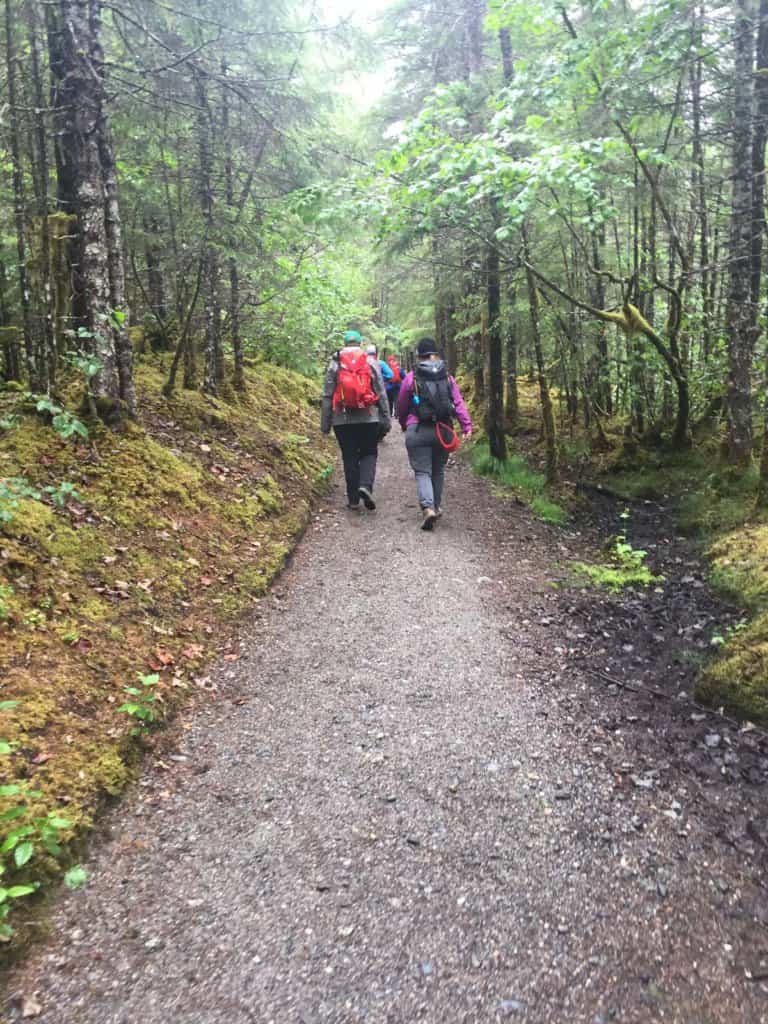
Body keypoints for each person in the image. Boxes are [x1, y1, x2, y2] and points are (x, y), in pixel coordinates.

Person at [397, 337, 472, 530]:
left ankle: (428, 507)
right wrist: (466, 426)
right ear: (435, 354)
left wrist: (405, 424)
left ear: (419, 355)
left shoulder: (411, 377)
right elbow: (458, 402)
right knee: (437, 471)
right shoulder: (447, 377)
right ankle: (436, 506)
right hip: (443, 430)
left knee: (423, 471)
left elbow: (402, 405)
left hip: (419, 429)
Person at [321, 330, 391, 510]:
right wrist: (385, 417)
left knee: (349, 455)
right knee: (369, 452)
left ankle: (353, 499)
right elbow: (381, 392)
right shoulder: (370, 361)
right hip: (368, 417)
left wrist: (325, 424)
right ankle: (365, 485)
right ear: (360, 344)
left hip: (341, 418)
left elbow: (327, 394)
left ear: (344, 343)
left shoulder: (335, 363)